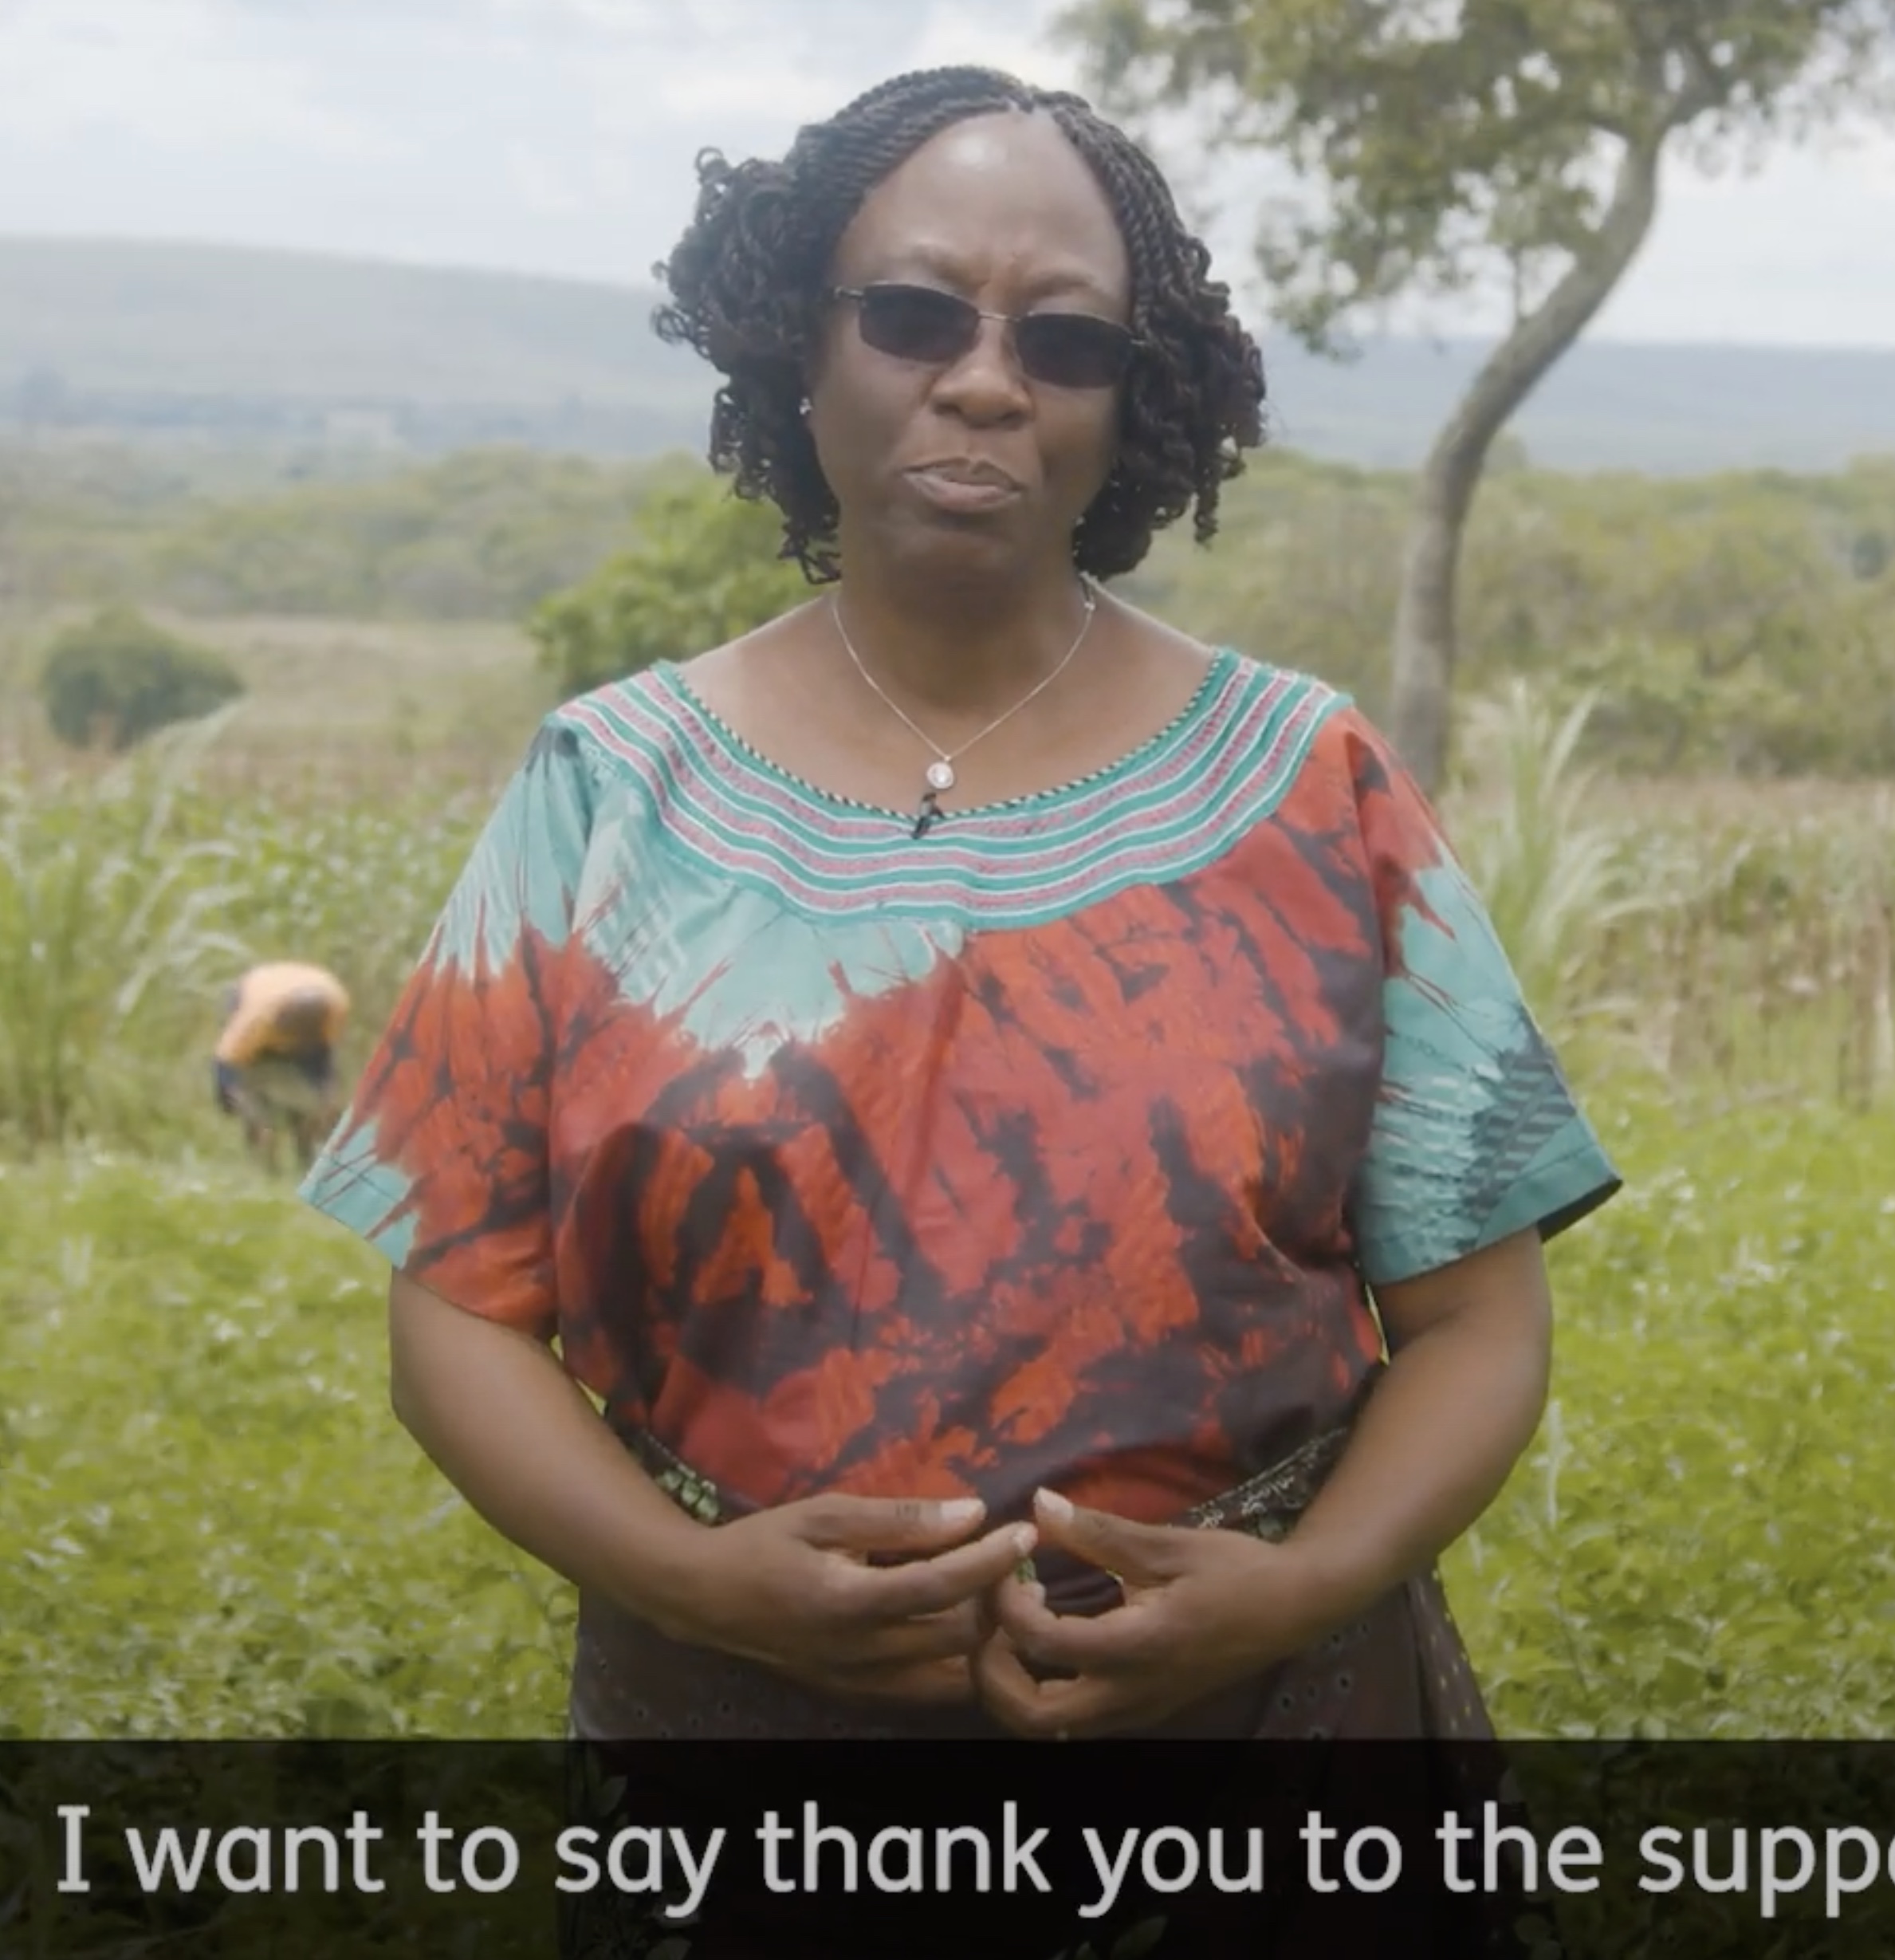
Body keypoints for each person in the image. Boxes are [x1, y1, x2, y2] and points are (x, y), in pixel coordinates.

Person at [301, 67, 1619, 1756]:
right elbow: (454, 1313)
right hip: (750, 1785)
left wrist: (1301, 1584)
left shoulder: (1311, 779)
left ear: (1137, 399)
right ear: (801, 337)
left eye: (1064, 341)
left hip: (1275, 1773)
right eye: (915, 315)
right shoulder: (610, 790)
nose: (986, 383)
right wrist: (692, 1577)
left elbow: (1480, 1318)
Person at [213, 960, 348, 1171]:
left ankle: (307, 1159)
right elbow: (226, 1060)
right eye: (294, 1035)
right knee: (253, 1098)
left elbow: (323, 1060)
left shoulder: (335, 1007)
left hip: (311, 990)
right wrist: (228, 1098)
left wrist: (323, 1101)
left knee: (311, 1107)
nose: (298, 1042)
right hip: (256, 989)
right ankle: (263, 1163)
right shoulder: (255, 1021)